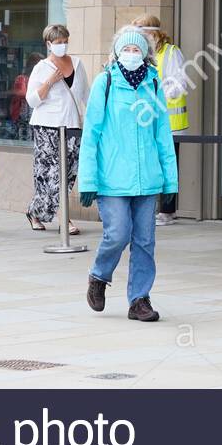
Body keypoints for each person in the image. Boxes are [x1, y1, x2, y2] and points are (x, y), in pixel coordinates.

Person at [79, 26, 178, 323]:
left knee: (145, 241)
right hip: (112, 179)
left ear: (145, 54)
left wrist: (170, 180)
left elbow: (163, 135)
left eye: (137, 50)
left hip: (147, 179)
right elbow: (91, 134)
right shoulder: (105, 82)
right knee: (118, 233)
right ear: (117, 52)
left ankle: (139, 299)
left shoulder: (154, 84)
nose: (132, 54)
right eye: (127, 49)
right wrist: (87, 180)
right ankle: (99, 276)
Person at [25, 24, 90, 233]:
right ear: (48, 44)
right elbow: (32, 100)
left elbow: (86, 95)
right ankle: (64, 219)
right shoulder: (41, 68)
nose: (62, 45)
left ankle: (35, 211)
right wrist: (50, 82)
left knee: (69, 173)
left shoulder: (78, 65)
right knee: (51, 175)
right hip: (47, 127)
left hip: (71, 127)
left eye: (64, 41)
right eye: (58, 42)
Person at [132, 16, 188, 226]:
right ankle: (161, 208)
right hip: (149, 121)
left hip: (171, 123)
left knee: (168, 166)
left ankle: (167, 210)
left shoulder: (171, 52)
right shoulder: (141, 55)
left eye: (141, 33)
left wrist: (158, 96)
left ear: (152, 33)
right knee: (152, 165)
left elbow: (180, 84)